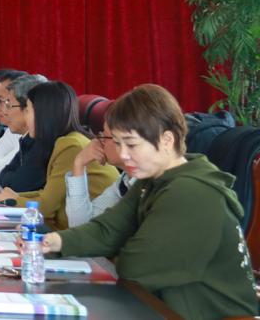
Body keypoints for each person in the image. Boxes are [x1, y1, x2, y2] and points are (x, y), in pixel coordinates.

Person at [43, 84, 256, 319]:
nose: (123, 154)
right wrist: (54, 241)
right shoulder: (152, 179)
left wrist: (116, 247)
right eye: (117, 143)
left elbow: (135, 267)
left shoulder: (192, 192)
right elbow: (107, 229)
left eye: (131, 144)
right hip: (158, 305)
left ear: (167, 139)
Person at [0, 80, 117, 230]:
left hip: (85, 232)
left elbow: (47, 207)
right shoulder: (62, 141)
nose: (25, 116)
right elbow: (49, 192)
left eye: (27, 110)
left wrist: (12, 200)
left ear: (43, 114)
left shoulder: (71, 146)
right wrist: (14, 197)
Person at [64, 118, 135, 227]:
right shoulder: (124, 182)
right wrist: (79, 164)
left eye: (105, 136)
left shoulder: (150, 186)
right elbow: (81, 227)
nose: (99, 142)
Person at [0, 73, 46, 184]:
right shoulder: (17, 132)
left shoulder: (44, 140)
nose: (4, 111)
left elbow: (15, 181)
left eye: (8, 105)